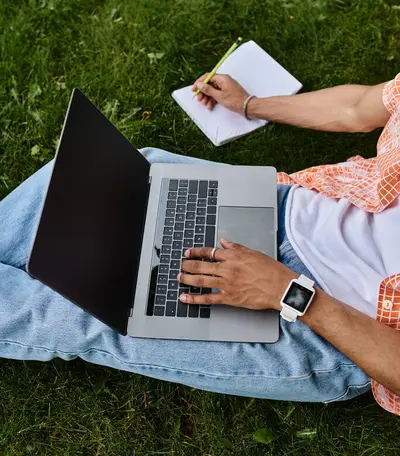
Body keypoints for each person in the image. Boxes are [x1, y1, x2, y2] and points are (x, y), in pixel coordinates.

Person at [1, 72, 400, 414]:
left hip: (330, 326)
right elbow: (359, 106)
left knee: (97, 309)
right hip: (287, 204)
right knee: (111, 177)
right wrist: (251, 104)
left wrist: (287, 291)